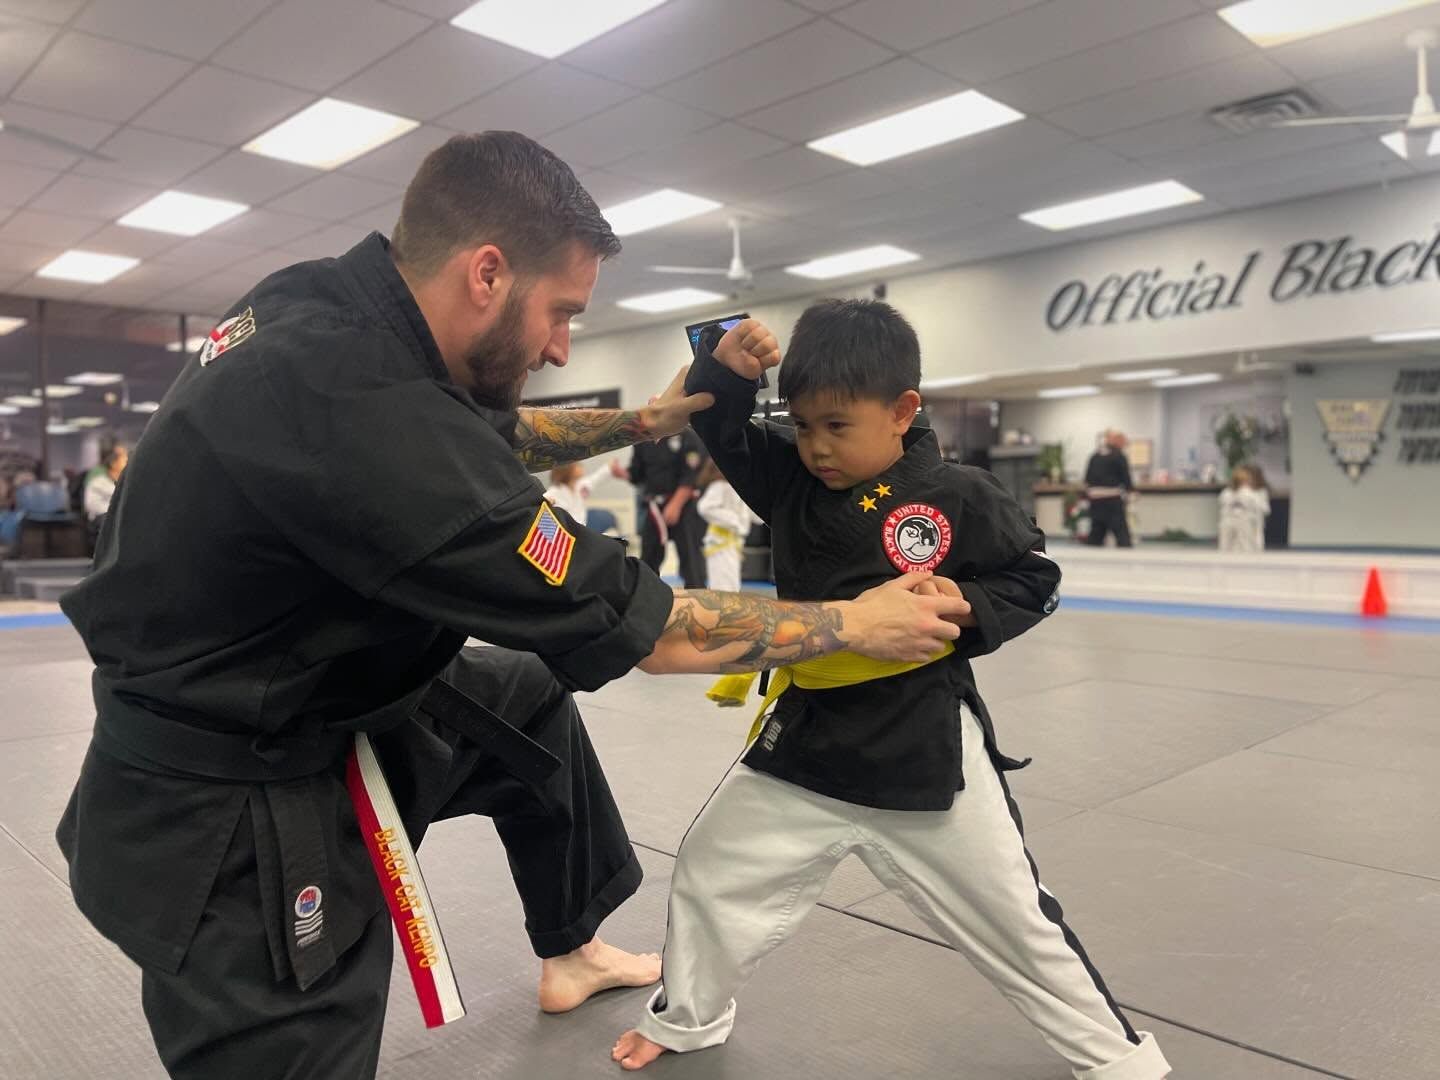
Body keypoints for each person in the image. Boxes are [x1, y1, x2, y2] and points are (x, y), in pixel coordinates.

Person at [53, 131, 968, 1080]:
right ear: (487, 272)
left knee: (522, 695)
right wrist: (857, 622)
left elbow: (487, 428)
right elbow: (649, 626)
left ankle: (570, 948)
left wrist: (641, 421)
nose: (565, 343)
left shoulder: (327, 299)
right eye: (561, 312)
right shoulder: (373, 423)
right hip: (225, 796)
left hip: (305, 680)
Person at [613, 300, 1171, 1079]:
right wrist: (723, 369)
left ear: (903, 411)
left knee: (1016, 920)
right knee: (710, 870)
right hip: (808, 738)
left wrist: (972, 608)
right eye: (802, 426)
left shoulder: (960, 494)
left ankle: (1118, 1061)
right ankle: (689, 1018)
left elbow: (1035, 578)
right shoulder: (791, 480)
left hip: (925, 748)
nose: (815, 448)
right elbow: (727, 431)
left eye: (837, 427)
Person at [612, 428, 708, 587]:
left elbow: (692, 474)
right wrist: (622, 473)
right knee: (648, 557)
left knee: (690, 558)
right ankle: (646, 597)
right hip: (655, 508)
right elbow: (637, 474)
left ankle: (697, 597)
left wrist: (676, 504)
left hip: (684, 506)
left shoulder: (688, 436)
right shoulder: (643, 440)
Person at [695, 457, 755, 593]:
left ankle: (730, 613)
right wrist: (734, 521)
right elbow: (704, 507)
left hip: (733, 543)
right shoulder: (720, 486)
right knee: (723, 589)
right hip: (720, 543)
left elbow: (749, 511)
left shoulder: (737, 487)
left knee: (733, 587)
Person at [1083, 429, 1133, 548]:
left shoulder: (1094, 456)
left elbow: (1087, 478)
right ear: (1117, 441)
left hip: (1095, 499)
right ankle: (1127, 559)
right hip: (1112, 499)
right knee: (1122, 534)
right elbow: (1125, 477)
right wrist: (1131, 490)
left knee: (1096, 532)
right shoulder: (1119, 456)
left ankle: (1089, 560)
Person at [543, 459, 612, 527]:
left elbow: (595, 478)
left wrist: (608, 467)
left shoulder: (579, 485)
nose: (581, 466)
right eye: (577, 465)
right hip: (570, 531)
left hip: (582, 528)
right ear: (567, 470)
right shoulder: (554, 492)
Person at [82, 443, 127, 536]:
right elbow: (91, 506)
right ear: (113, 463)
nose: (128, 461)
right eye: (124, 459)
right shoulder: (98, 481)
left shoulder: (124, 481)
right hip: (101, 518)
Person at [1218, 466, 1255, 553]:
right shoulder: (1247, 493)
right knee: (1242, 544)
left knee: (1228, 545)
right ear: (1245, 481)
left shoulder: (1226, 493)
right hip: (1237, 520)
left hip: (1234, 520)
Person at [1245, 463, 1271, 551]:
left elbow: (1265, 508)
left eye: (1250, 477)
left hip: (1256, 518)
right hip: (1243, 519)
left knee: (1257, 537)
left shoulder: (1261, 491)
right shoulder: (1243, 490)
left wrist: (1255, 504)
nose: (1248, 479)